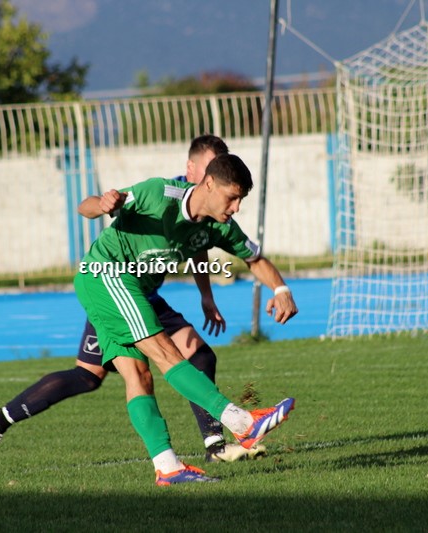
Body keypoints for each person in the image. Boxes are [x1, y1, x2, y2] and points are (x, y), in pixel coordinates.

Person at [0, 136, 264, 474]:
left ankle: (205, 449)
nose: (222, 180)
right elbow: (90, 206)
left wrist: (210, 295)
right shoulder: (165, 192)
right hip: (114, 288)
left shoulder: (212, 207)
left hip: (144, 295)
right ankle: (0, 418)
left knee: (192, 357)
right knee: (90, 375)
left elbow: (200, 245)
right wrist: (103, 204)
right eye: (212, 167)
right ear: (195, 169)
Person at [72, 153, 298, 484]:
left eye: (241, 200)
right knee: (166, 352)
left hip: (130, 288)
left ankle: (167, 467)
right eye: (232, 197)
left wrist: (280, 289)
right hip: (106, 273)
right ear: (209, 184)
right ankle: (243, 423)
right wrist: (104, 204)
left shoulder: (219, 226)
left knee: (138, 375)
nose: (236, 207)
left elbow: (254, 257)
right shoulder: (157, 194)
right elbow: (85, 207)